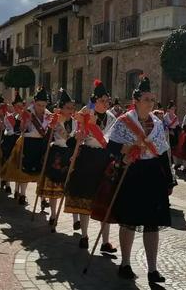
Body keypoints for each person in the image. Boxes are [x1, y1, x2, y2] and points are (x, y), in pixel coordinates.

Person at [100, 76, 174, 283]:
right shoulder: (124, 122)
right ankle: (125, 264)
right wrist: (127, 149)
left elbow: (163, 152)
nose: (151, 103)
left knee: (153, 223)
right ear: (137, 100)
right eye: (147, 99)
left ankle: (152, 269)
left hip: (152, 174)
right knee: (129, 221)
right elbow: (111, 147)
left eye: (153, 99)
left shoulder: (158, 124)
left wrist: (169, 180)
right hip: (131, 172)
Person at [64, 79, 117, 252]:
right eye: (103, 100)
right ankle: (85, 236)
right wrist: (77, 136)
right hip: (87, 158)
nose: (106, 103)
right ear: (95, 101)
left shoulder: (112, 118)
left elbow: (112, 141)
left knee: (105, 200)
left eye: (107, 100)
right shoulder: (85, 115)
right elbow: (72, 140)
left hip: (104, 159)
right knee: (85, 198)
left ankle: (105, 242)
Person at [1, 88, 52, 205]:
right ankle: (23, 195)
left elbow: (50, 130)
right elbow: (18, 129)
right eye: (39, 105)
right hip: (28, 143)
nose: (41, 108)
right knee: (24, 170)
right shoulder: (27, 113)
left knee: (42, 171)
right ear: (34, 103)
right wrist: (22, 125)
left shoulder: (48, 114)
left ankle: (43, 198)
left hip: (42, 144)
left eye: (44, 105)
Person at [38, 88, 80, 230]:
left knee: (71, 186)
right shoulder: (55, 120)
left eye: (72, 108)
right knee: (54, 187)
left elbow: (76, 139)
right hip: (57, 154)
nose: (71, 110)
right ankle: (53, 215)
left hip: (70, 154)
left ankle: (76, 220)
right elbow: (48, 136)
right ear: (61, 108)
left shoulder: (75, 122)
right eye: (68, 108)